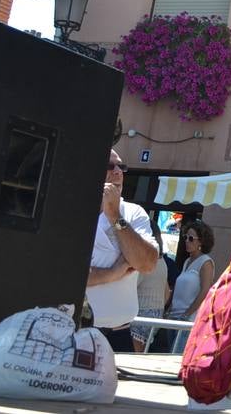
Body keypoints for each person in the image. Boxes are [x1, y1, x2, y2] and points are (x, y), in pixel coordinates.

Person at [87, 149, 159, 351]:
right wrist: (112, 273)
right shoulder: (72, 210)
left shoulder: (134, 213)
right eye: (110, 166)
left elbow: (146, 263)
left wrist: (114, 217)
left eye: (122, 166)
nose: (118, 172)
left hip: (119, 334)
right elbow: (62, 273)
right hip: (78, 330)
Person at [168, 220, 216, 353]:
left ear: (201, 241)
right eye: (185, 237)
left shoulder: (206, 262)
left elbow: (206, 290)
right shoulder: (187, 261)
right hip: (174, 318)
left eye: (191, 238)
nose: (187, 241)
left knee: (178, 356)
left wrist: (187, 314)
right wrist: (169, 310)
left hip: (188, 321)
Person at [131, 220, 169, 352]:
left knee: (136, 356)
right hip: (157, 311)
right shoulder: (162, 261)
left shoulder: (146, 261)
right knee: (143, 354)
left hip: (142, 311)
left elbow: (132, 286)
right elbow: (167, 292)